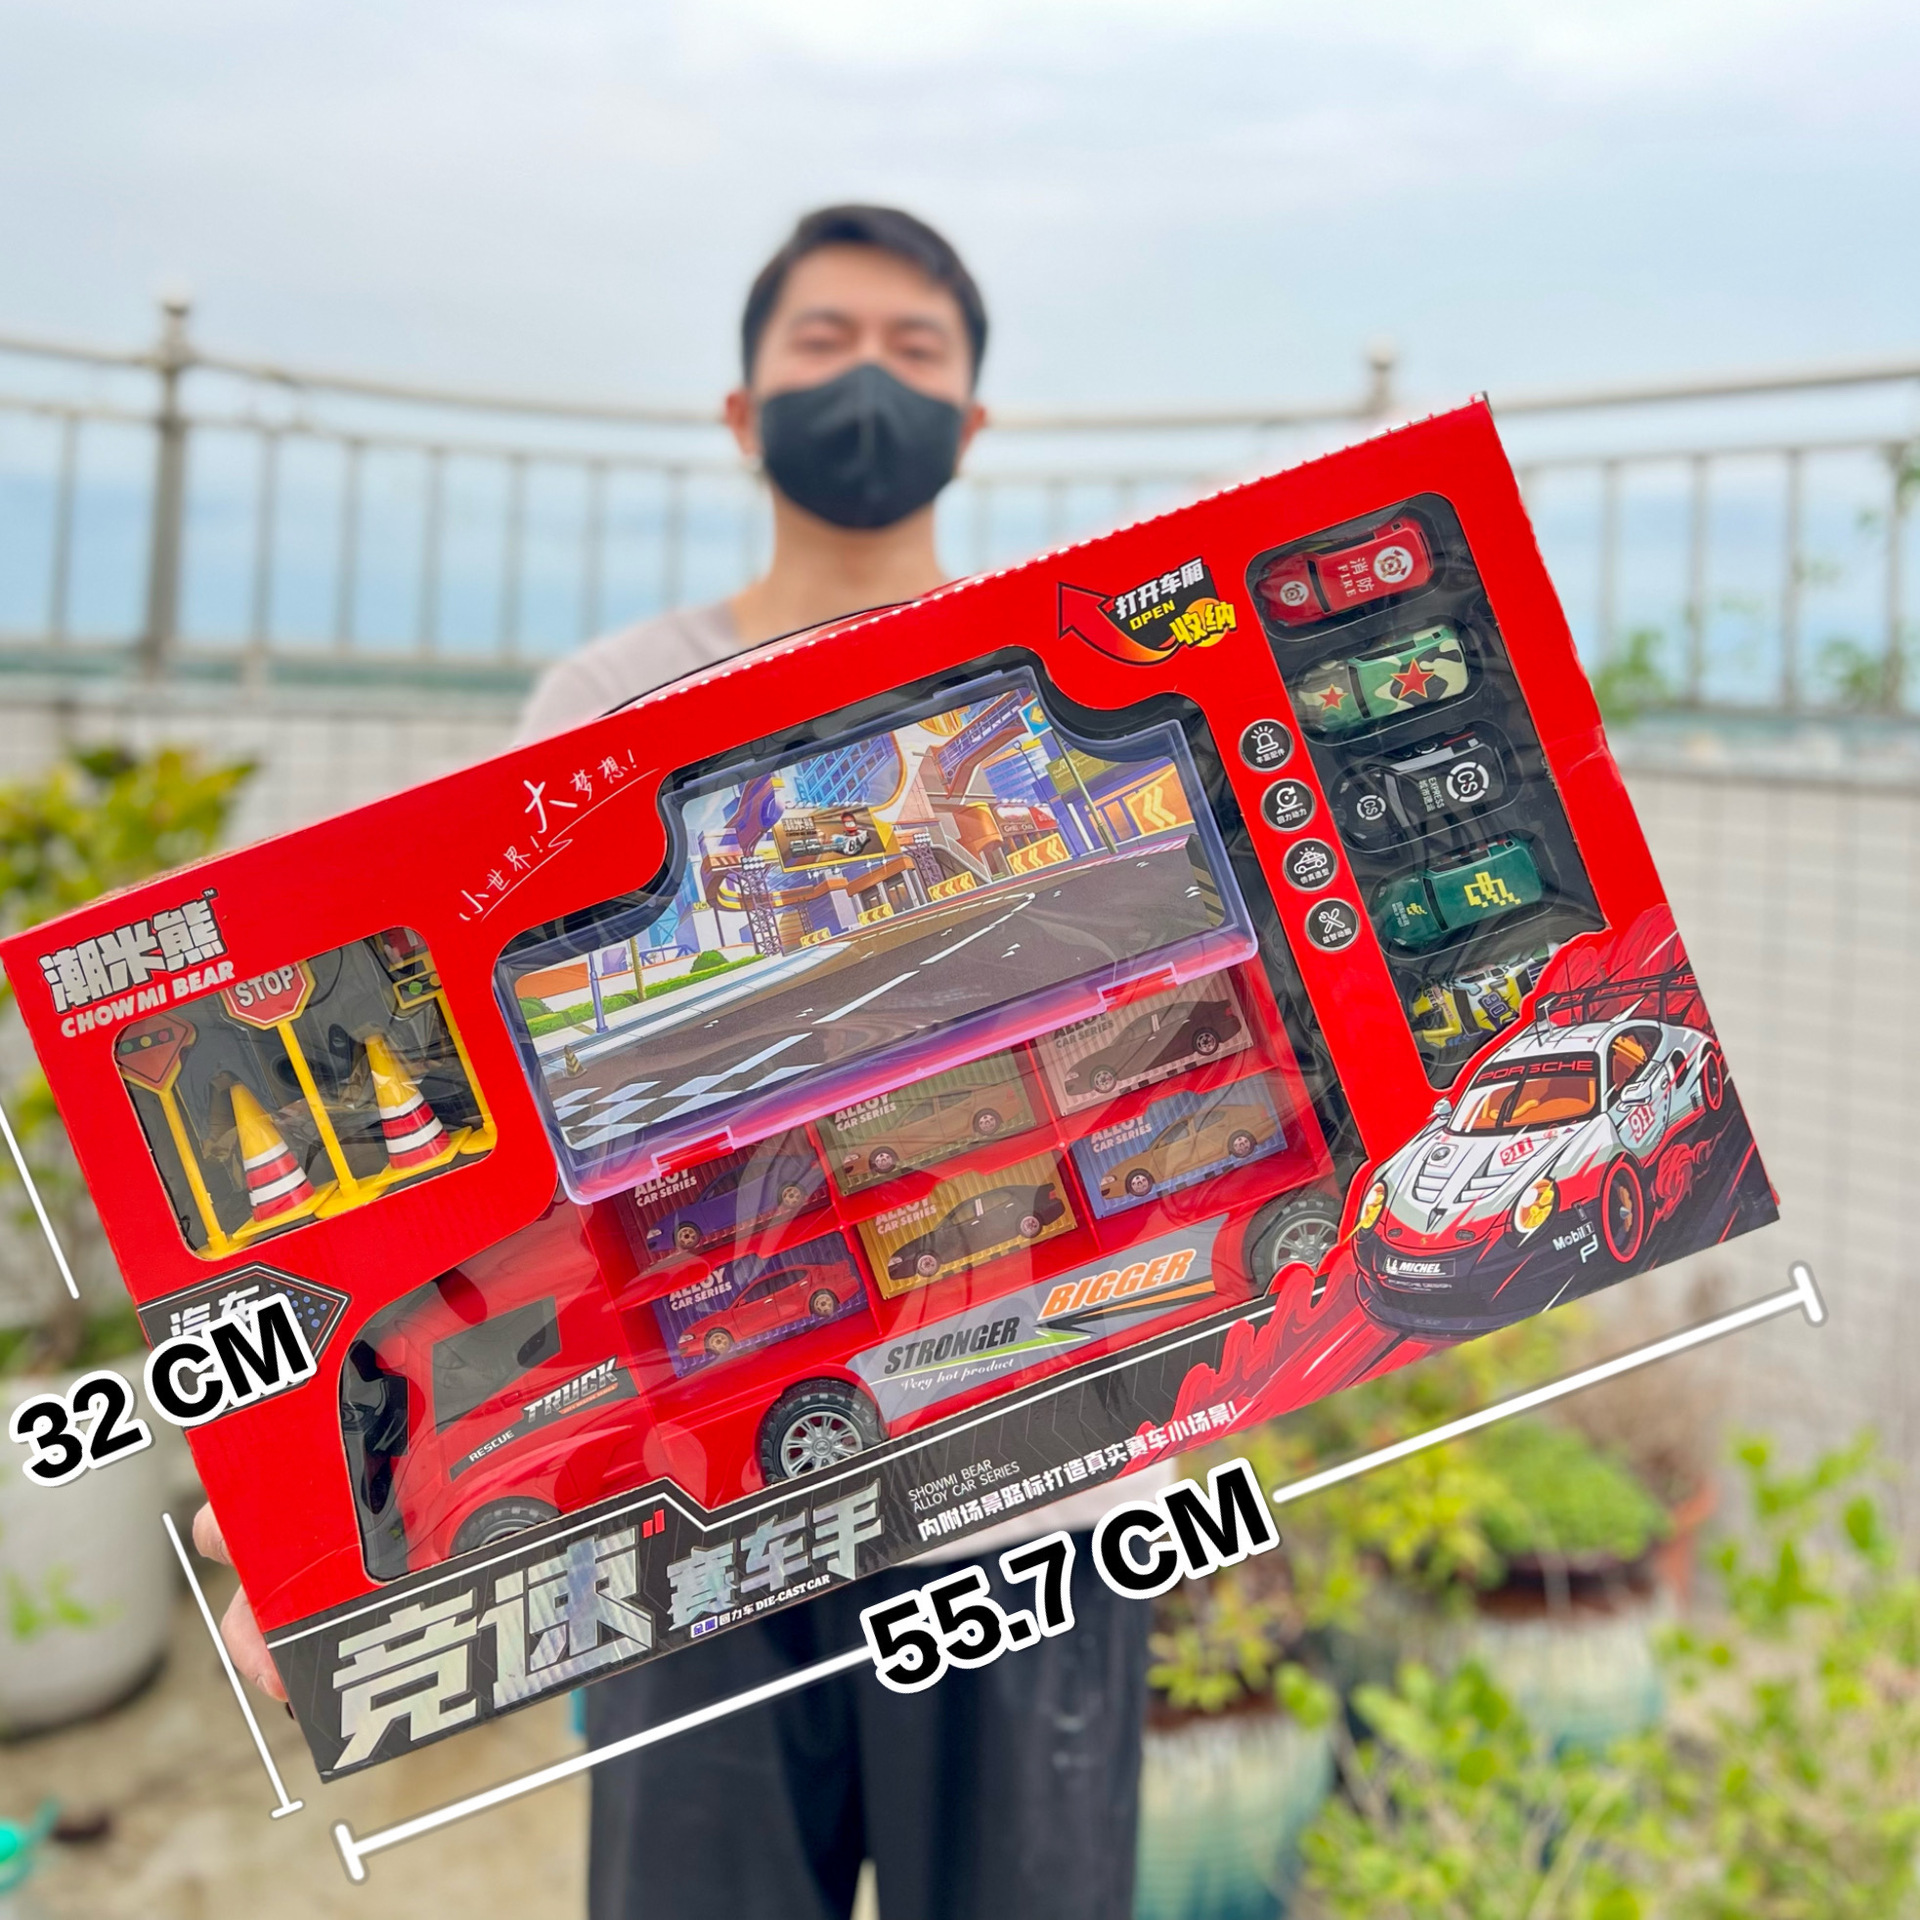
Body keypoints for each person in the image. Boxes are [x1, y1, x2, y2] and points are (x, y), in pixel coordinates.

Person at [195, 204, 1164, 1920]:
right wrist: (330, 1512)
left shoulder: (1066, 680)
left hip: (1041, 1475)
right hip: (688, 1504)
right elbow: (474, 1122)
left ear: (972, 421)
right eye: (824, 344)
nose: (865, 384)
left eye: (913, 351)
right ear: (741, 409)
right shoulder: (602, 703)